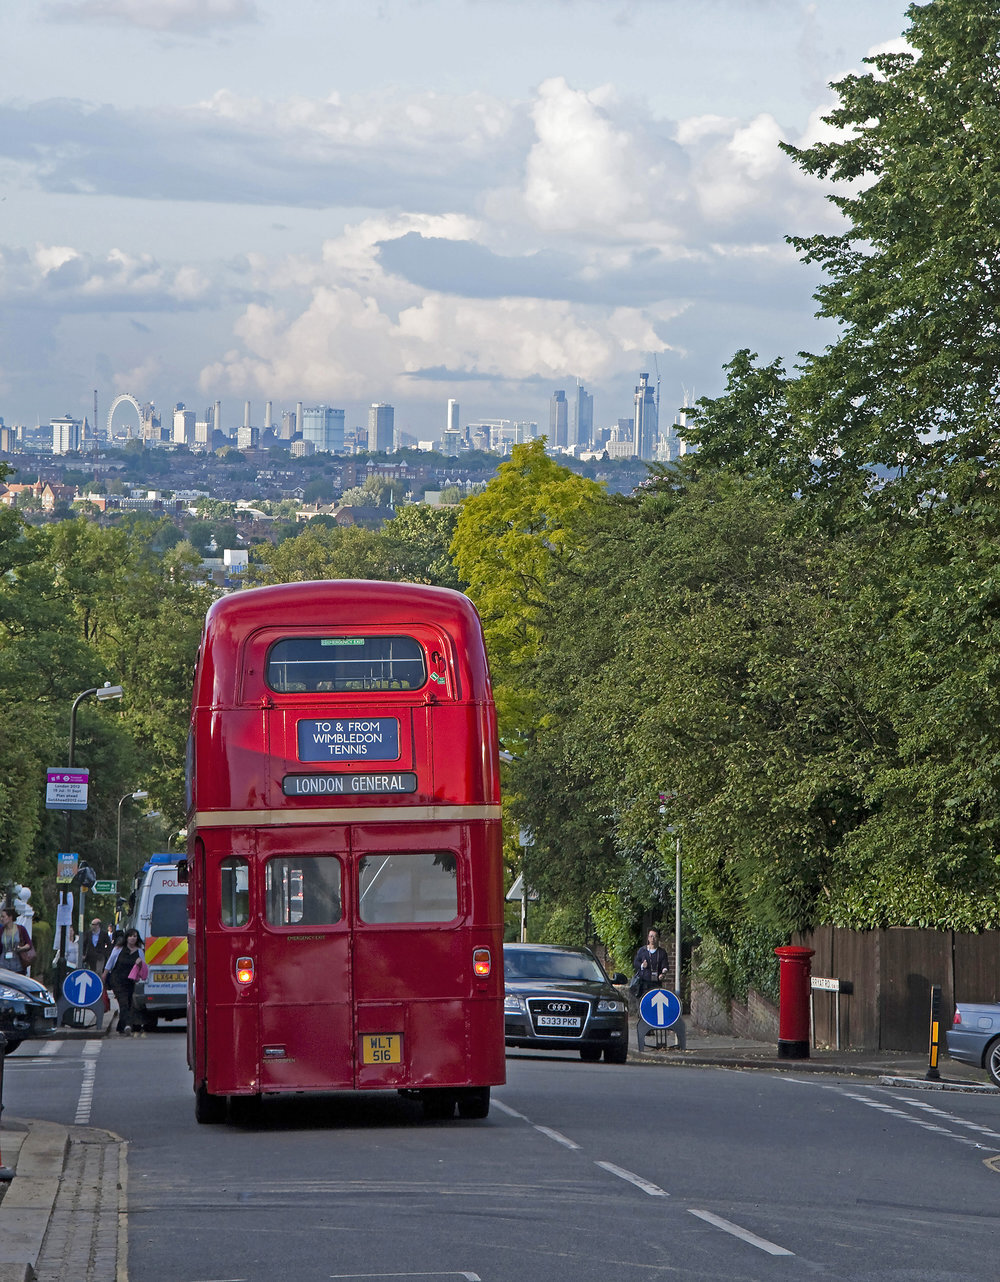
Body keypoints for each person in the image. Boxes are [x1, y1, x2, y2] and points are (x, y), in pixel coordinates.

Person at [104, 927, 144, 1035]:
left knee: (128, 1003)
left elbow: (143, 968)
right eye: (130, 936)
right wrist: (104, 975)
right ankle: (127, 1025)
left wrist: (140, 963)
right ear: (126, 938)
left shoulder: (140, 951)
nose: (132, 938)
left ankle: (120, 1027)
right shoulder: (118, 949)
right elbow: (110, 963)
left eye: (135, 936)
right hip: (117, 980)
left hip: (130, 981)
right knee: (123, 1002)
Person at [632, 928, 670, 995]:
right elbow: (635, 963)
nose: (652, 939)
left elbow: (665, 965)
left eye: (655, 936)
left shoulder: (662, 952)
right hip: (644, 982)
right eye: (650, 936)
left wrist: (663, 974)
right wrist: (642, 965)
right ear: (648, 938)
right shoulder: (642, 950)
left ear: (658, 938)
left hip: (656, 983)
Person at [0, 906, 34, 974]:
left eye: (3, 916)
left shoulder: (21, 929)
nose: (1, 919)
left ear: (10, 917)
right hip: (3, 966)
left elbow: (29, 944)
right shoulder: (1, 931)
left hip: (18, 965)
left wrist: (21, 948)